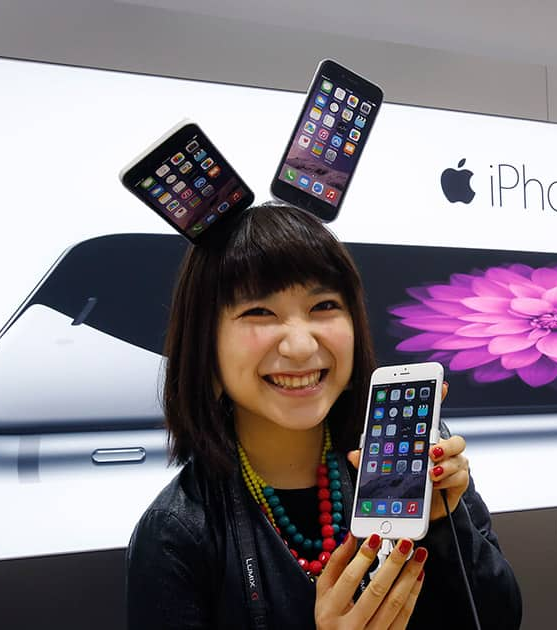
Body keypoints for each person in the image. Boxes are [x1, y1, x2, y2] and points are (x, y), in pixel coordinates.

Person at [126, 203, 522, 629]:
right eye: (259, 312)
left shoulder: (411, 459)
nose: (299, 345)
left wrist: (445, 522)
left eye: (324, 306)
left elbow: (498, 618)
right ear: (206, 345)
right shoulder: (176, 533)